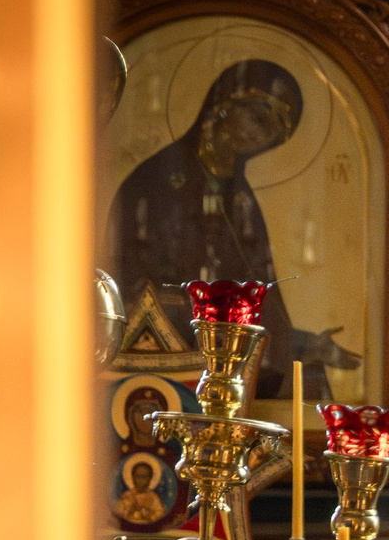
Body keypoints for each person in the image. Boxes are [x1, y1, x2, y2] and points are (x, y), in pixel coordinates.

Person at [105, 57, 362, 399]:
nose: (261, 137)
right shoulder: (155, 181)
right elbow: (131, 285)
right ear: (224, 104)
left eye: (274, 134)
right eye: (259, 118)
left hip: (221, 352)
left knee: (309, 382)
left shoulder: (240, 200)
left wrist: (303, 344)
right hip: (161, 356)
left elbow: (255, 295)